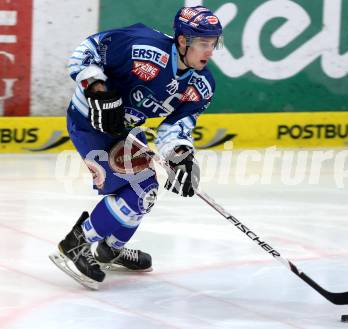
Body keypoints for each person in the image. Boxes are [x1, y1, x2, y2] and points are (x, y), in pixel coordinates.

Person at [49, 6, 223, 289]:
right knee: (140, 190)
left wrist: (180, 155)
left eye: (213, 43)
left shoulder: (201, 84)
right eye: (203, 43)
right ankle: (76, 243)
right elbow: (87, 49)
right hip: (87, 122)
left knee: (147, 190)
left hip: (125, 131)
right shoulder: (142, 47)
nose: (209, 51)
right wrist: (97, 88)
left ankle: (110, 248)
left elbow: (175, 127)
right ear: (182, 41)